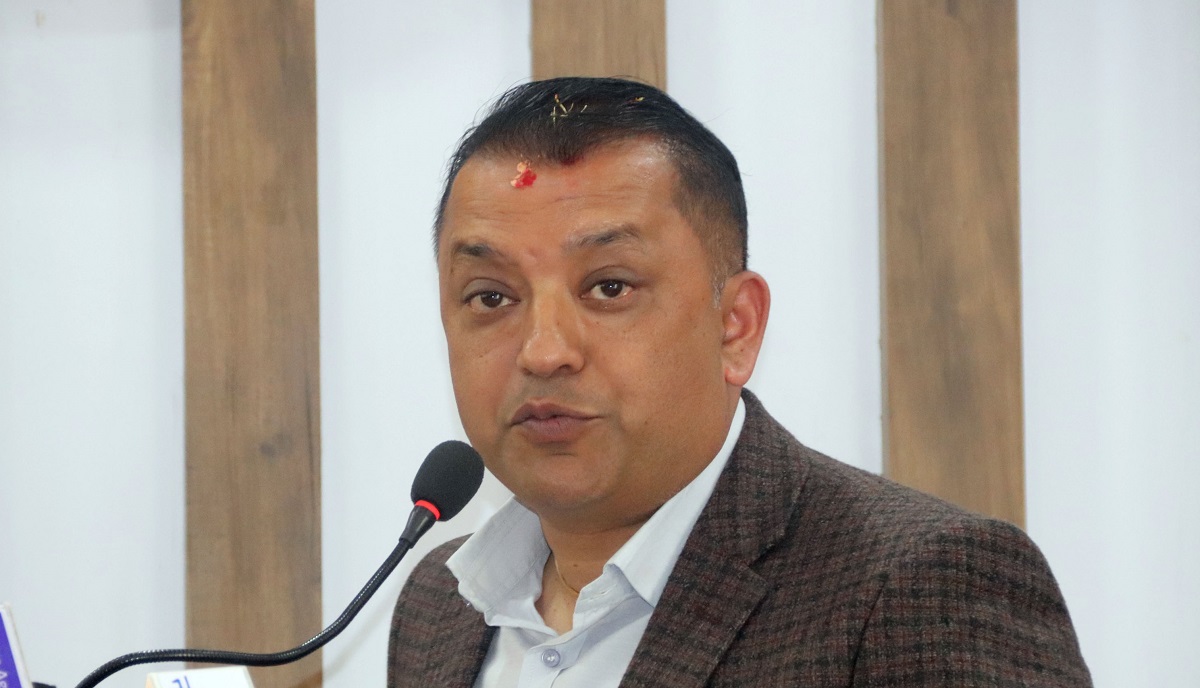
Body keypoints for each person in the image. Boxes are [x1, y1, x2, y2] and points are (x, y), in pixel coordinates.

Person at [387, 76, 1091, 687]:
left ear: (735, 327)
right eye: (490, 297)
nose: (544, 352)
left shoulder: (922, 586)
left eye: (609, 287)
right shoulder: (439, 603)